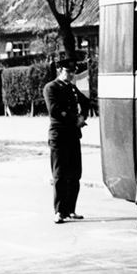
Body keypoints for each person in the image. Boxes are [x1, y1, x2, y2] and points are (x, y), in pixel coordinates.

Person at [43, 57, 91, 223]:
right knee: (60, 175)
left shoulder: (72, 88)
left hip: (72, 135)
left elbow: (85, 101)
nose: (71, 74)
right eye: (68, 71)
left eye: (73, 72)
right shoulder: (51, 88)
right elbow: (55, 110)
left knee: (75, 174)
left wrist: (83, 115)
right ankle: (59, 211)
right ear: (60, 70)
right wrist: (74, 119)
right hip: (59, 136)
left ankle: (70, 209)